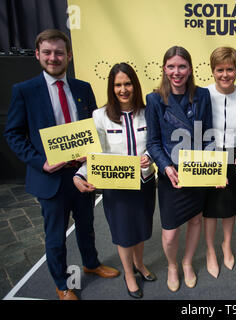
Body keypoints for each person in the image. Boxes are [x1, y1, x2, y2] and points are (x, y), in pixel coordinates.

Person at [3, 29, 119, 300]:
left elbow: (92, 128)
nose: (53, 58)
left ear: (69, 55)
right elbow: (13, 134)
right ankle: (62, 283)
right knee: (55, 235)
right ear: (37, 55)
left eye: (58, 52)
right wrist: (41, 162)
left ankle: (91, 264)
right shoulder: (24, 91)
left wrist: (89, 153)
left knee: (87, 224)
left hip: (80, 173)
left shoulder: (82, 88)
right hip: (49, 178)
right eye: (47, 52)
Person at [73, 63, 157, 299]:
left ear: (135, 85)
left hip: (144, 181)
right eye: (118, 85)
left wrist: (149, 157)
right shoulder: (99, 116)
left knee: (141, 228)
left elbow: (154, 143)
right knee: (123, 232)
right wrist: (80, 174)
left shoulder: (147, 111)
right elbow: (94, 154)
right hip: (116, 185)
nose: (123, 89)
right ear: (112, 87)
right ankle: (129, 274)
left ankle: (140, 265)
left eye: (127, 83)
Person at [146, 46, 213, 292]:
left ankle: (187, 263)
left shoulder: (202, 95)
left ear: (190, 69)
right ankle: (172, 265)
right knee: (171, 233)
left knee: (196, 220)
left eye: (182, 66)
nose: (177, 72)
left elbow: (208, 136)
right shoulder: (154, 99)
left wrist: (211, 166)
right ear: (164, 69)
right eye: (171, 66)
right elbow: (152, 142)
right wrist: (165, 168)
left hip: (197, 172)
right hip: (170, 175)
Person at [203, 47, 236, 278]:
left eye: (230, 69)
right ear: (212, 71)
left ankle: (227, 245)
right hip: (209, 153)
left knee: (230, 204)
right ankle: (211, 250)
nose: (225, 74)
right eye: (220, 70)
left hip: (235, 155)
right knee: (210, 207)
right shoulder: (203, 94)